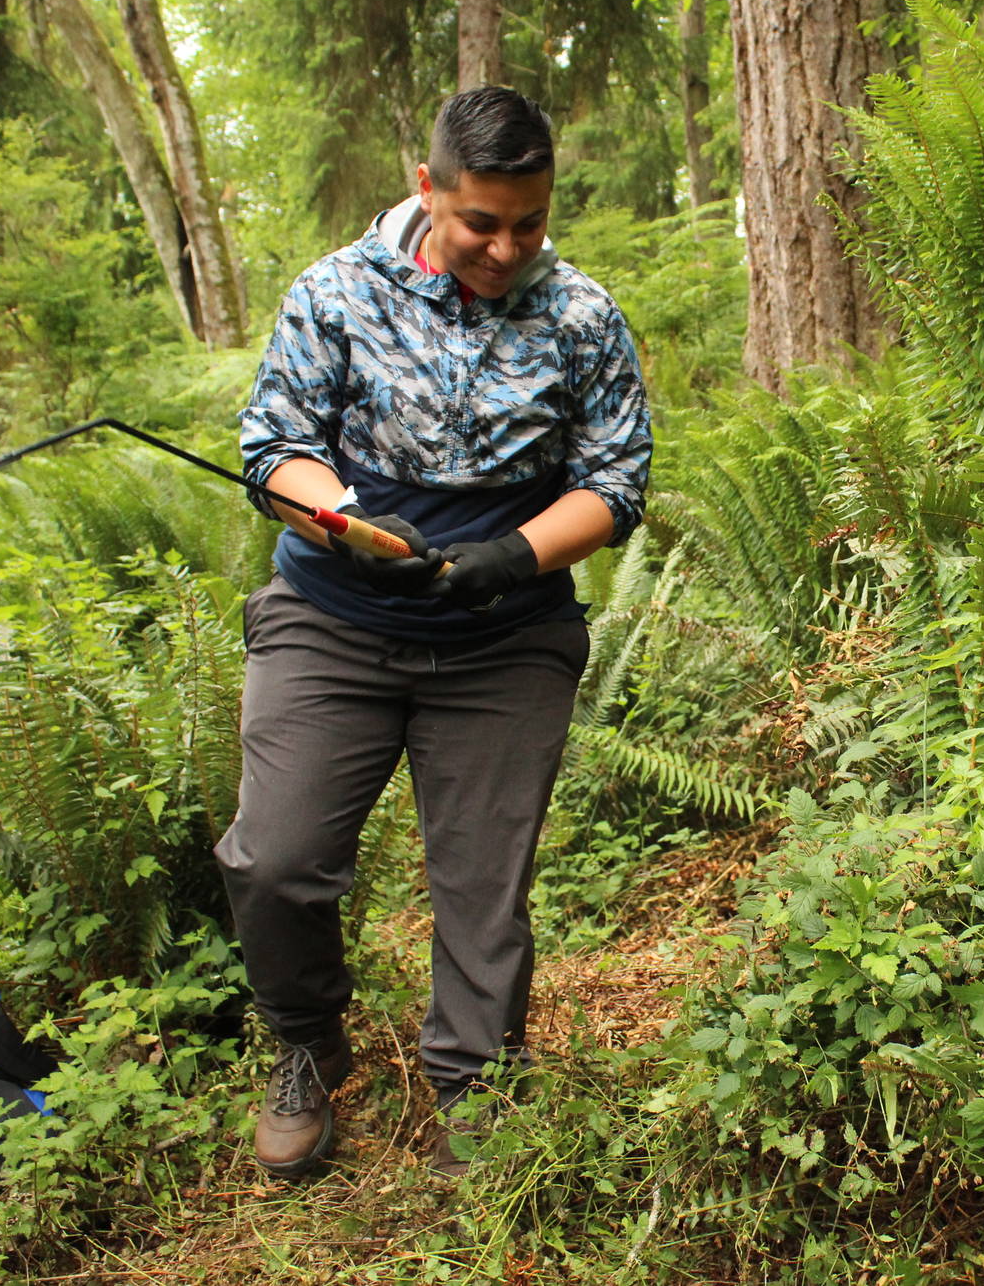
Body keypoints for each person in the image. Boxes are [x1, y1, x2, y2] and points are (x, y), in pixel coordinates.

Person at [219, 85, 651, 1180]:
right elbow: (274, 449)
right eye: (480, 223)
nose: (507, 248)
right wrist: (342, 516)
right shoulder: (335, 293)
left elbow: (615, 480)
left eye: (530, 223)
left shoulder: (584, 318)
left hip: (504, 641)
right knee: (275, 861)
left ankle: (473, 1086)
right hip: (332, 618)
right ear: (428, 189)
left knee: (481, 888)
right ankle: (309, 1048)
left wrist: (517, 554)